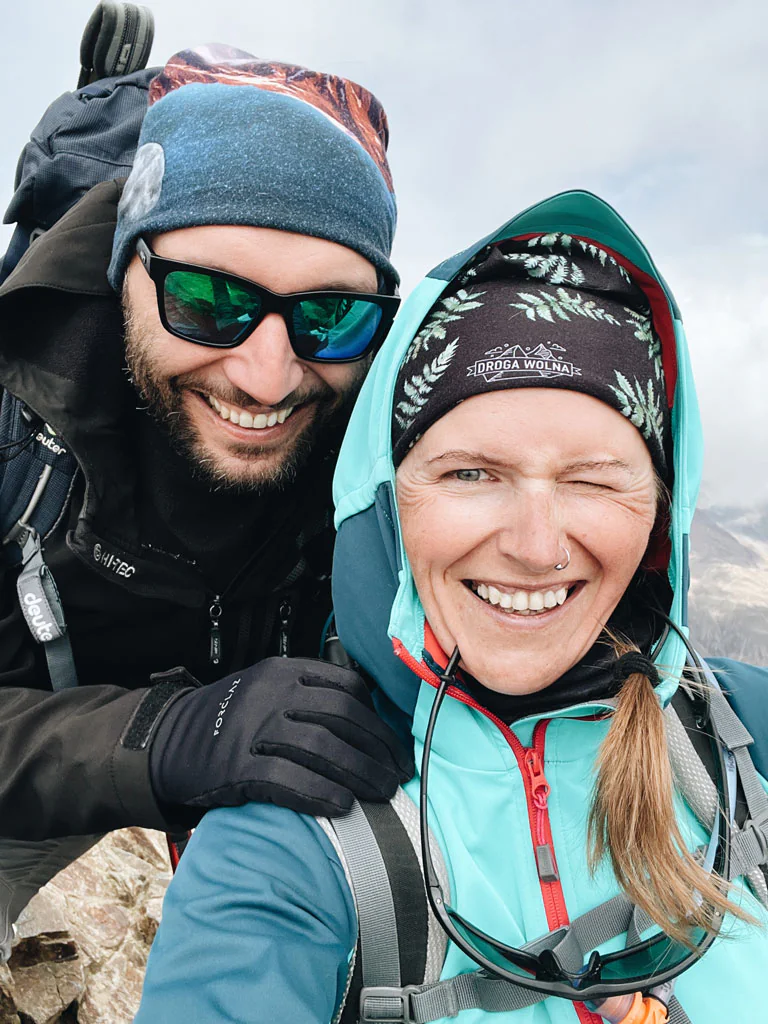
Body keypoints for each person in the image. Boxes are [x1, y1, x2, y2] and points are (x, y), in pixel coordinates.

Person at [135, 190, 768, 1023]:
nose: (538, 545)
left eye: (593, 480)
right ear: (388, 502)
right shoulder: (296, 834)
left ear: (657, 517)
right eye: (472, 473)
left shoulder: (741, 735)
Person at [0, 44, 413, 959]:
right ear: (125, 272)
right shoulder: (14, 419)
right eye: (205, 299)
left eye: (329, 316)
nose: (266, 376)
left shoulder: (387, 440)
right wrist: (165, 735)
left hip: (263, 818)